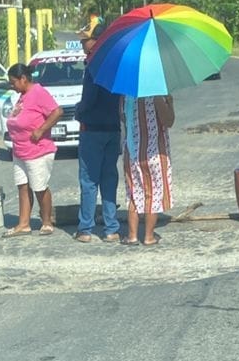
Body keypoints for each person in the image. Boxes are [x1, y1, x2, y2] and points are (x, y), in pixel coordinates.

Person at [2, 63, 62, 237]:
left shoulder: (38, 92)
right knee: (22, 186)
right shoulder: (22, 96)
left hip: (37, 150)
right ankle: (24, 223)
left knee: (39, 187)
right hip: (20, 151)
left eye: (13, 82)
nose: (12, 86)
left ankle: (46, 221)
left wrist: (41, 130)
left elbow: (57, 112)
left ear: (23, 79)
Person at [74, 24, 122, 243]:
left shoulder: (93, 65)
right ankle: (111, 228)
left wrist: (78, 111)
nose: (82, 44)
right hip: (113, 128)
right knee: (109, 179)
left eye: (85, 40)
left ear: (95, 41)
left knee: (89, 180)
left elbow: (89, 99)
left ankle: (85, 229)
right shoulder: (115, 62)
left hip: (92, 129)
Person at [121, 94, 175, 246]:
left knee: (133, 192)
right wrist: (170, 103)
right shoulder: (155, 95)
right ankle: (149, 236)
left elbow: (124, 118)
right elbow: (168, 121)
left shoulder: (125, 95)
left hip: (131, 150)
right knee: (154, 193)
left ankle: (132, 236)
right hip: (153, 152)